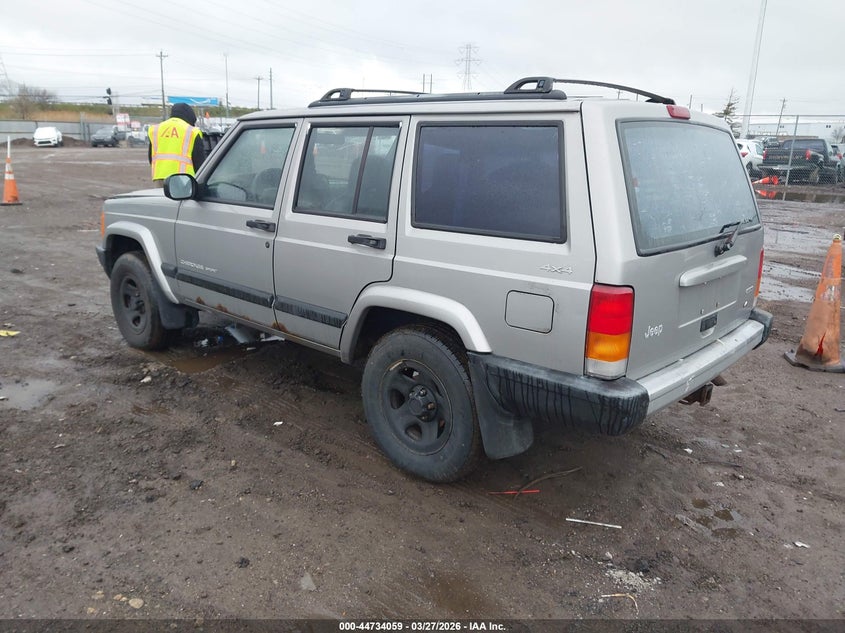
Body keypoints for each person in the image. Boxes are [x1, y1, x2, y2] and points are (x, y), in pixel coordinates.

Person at [147, 103, 206, 186]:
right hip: (184, 180)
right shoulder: (192, 131)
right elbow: (199, 161)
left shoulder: (156, 129)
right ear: (190, 117)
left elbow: (151, 156)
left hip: (160, 179)